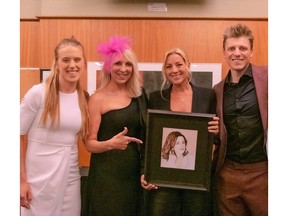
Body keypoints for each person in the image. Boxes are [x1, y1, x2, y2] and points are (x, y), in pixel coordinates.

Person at [141, 47, 219, 216]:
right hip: (164, 177)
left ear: (187, 65)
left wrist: (216, 131)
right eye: (169, 66)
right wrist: (145, 171)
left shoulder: (207, 95)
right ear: (164, 70)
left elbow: (213, 137)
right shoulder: (156, 98)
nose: (174, 70)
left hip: (196, 179)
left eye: (178, 64)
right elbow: (150, 140)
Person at [20, 36, 89, 216]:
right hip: (38, 179)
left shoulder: (84, 97)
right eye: (66, 60)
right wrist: (21, 181)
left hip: (70, 177)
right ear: (57, 63)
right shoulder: (38, 93)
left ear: (84, 63)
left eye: (77, 59)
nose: (72, 65)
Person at [85, 36, 147, 216]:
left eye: (128, 64)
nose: (123, 69)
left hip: (134, 176)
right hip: (106, 178)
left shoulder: (140, 97)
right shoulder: (97, 99)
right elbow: (89, 143)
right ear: (108, 67)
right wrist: (110, 144)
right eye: (118, 64)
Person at [213, 23, 268, 216]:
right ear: (224, 52)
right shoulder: (217, 91)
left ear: (251, 51)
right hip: (227, 174)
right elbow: (216, 136)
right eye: (232, 48)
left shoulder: (270, 78)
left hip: (263, 173)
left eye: (243, 48)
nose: (237, 53)